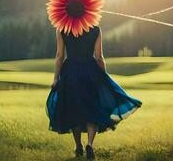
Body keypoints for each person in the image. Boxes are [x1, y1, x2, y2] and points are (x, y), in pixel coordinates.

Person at [46, 24, 142, 159]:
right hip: (91, 72)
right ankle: (90, 144)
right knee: (93, 109)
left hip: (71, 73)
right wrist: (104, 76)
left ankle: (78, 146)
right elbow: (99, 56)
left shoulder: (62, 29)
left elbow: (59, 55)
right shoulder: (95, 29)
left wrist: (56, 78)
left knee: (75, 110)